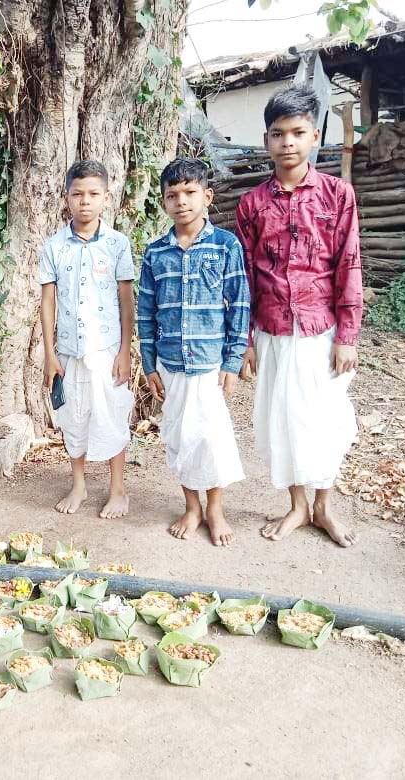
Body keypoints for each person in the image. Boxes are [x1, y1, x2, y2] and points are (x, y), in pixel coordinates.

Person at [236, 85, 362, 548]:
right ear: (266, 140)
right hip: (271, 328)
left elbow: (349, 263)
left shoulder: (337, 195)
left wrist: (347, 334)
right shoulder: (252, 204)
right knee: (283, 418)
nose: (287, 142)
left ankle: (324, 506)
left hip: (320, 330)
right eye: (277, 133)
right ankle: (297, 505)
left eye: (297, 132)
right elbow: (246, 276)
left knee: (324, 418)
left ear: (315, 136)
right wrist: (246, 340)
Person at [138, 158, 250, 547]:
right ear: (164, 202)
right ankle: (192, 507)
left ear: (207, 196)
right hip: (170, 364)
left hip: (209, 363)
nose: (181, 201)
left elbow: (239, 305)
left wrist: (233, 361)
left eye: (189, 193)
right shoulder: (155, 254)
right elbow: (146, 312)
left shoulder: (225, 246)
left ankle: (215, 509)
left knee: (211, 437)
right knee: (180, 436)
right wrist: (148, 362)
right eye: (172, 195)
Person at [39, 160, 135, 519]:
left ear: (106, 198)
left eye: (93, 194)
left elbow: (126, 300)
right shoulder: (54, 246)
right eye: (77, 194)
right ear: (67, 198)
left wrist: (125, 351)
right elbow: (48, 301)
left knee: (112, 415)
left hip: (106, 349)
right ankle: (78, 484)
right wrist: (50, 355)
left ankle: (117, 489)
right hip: (68, 350)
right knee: (73, 417)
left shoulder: (117, 244)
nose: (85, 201)